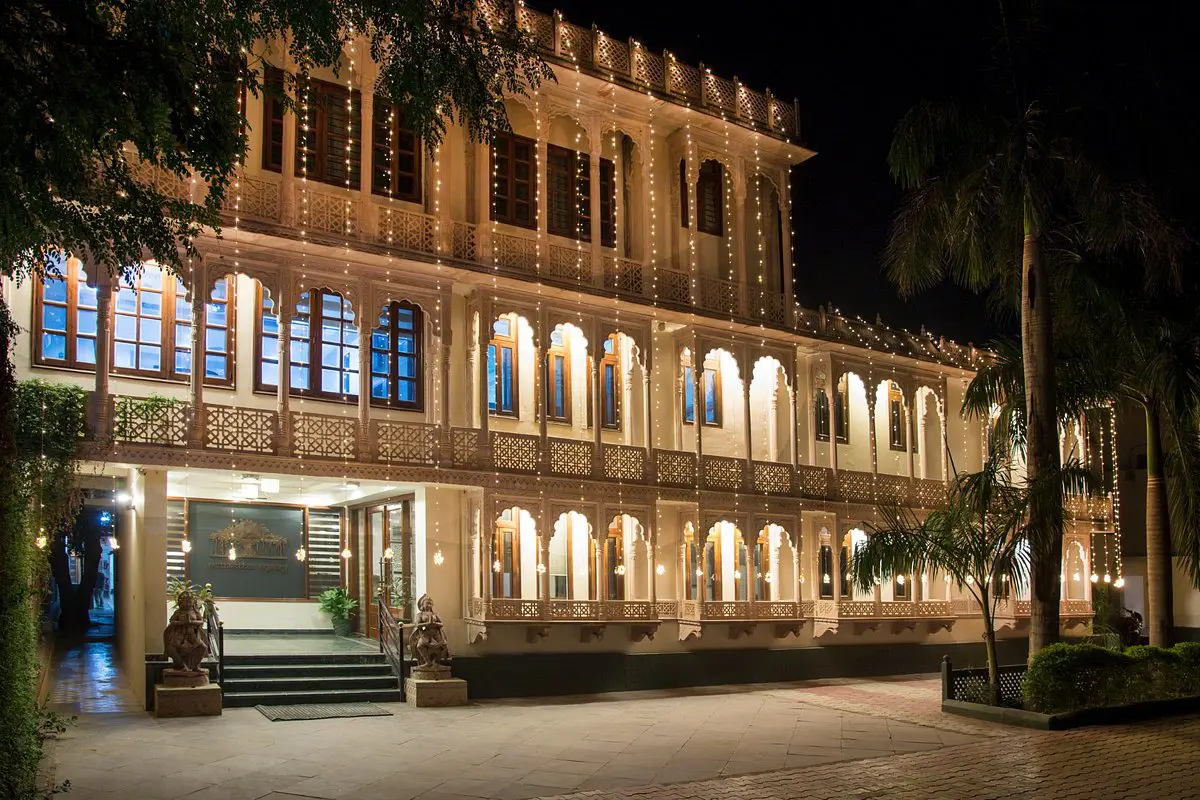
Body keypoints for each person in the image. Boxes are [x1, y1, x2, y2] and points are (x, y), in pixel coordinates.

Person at [408, 594, 450, 669]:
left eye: (430, 604)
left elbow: (441, 623)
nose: (429, 605)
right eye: (427, 603)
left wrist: (435, 624)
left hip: (436, 634)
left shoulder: (435, 614)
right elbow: (417, 625)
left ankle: (436, 662)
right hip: (425, 634)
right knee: (419, 646)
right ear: (422, 605)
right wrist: (427, 624)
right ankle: (428, 662)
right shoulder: (420, 615)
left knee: (444, 645)